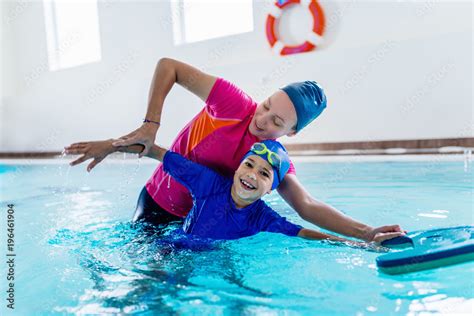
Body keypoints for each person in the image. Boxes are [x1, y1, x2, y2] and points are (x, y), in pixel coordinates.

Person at [65, 57, 406, 244]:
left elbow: (307, 205)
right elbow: (168, 66)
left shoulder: (271, 159)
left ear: (292, 132)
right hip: (157, 204)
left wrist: (366, 232)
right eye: (266, 105)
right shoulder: (231, 102)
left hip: (197, 223)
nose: (262, 120)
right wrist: (146, 126)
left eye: (277, 121)